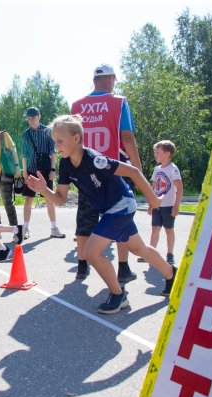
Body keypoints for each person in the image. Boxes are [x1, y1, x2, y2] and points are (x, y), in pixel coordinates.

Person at [26, 115, 176, 314]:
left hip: (121, 205)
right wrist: (44, 190)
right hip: (109, 211)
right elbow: (61, 198)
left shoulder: (95, 160)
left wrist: (153, 200)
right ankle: (171, 274)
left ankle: (117, 294)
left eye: (60, 141)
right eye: (54, 142)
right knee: (138, 249)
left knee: (90, 252)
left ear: (76, 138)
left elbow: (133, 172)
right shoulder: (65, 164)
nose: (56, 146)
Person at [70, 64, 141, 282]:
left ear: (94, 80)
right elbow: (127, 137)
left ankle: (82, 266)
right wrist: (137, 170)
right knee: (119, 218)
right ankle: (123, 268)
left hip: (84, 171)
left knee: (85, 219)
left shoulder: (77, 105)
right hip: (111, 171)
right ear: (111, 79)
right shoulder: (118, 102)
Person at [21, 107, 66, 240]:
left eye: (33, 118)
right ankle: (26, 228)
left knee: (49, 199)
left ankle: (54, 228)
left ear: (39, 117)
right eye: (28, 118)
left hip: (46, 170)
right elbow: (23, 154)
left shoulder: (48, 131)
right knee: (29, 199)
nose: (31, 121)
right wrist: (24, 171)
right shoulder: (25, 134)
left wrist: (53, 170)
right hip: (31, 170)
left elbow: (53, 152)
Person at [144, 140, 183, 265]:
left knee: (169, 229)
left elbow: (180, 188)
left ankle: (170, 254)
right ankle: (151, 253)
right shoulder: (157, 169)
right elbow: (154, 188)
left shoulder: (173, 169)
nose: (155, 155)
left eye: (157, 152)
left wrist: (176, 206)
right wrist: (151, 204)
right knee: (155, 229)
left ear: (167, 153)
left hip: (168, 206)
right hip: (157, 205)